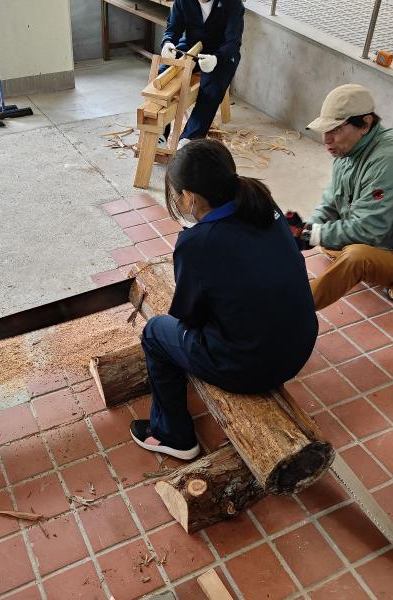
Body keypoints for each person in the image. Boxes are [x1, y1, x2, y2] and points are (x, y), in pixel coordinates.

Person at [130, 139, 318, 460]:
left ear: (190, 197)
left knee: (155, 333)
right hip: (300, 346)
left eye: (177, 195)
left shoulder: (197, 242)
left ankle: (171, 434)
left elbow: (189, 316)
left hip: (250, 367)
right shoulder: (263, 203)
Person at [292, 84, 393, 310]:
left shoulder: (390, 161)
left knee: (356, 257)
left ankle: (294, 309)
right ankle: (381, 268)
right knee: (325, 238)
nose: (327, 139)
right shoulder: (347, 151)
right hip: (385, 237)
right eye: (325, 130)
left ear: (365, 124)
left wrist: (311, 234)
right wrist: (304, 230)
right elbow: (331, 203)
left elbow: (367, 229)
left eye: (335, 129)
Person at [160, 0, 245, 145]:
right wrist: (168, 42)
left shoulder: (232, 3)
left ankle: (189, 139)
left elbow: (233, 41)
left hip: (221, 52)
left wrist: (217, 58)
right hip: (192, 45)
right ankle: (161, 133)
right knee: (164, 75)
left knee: (211, 89)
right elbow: (173, 28)